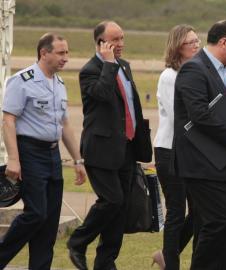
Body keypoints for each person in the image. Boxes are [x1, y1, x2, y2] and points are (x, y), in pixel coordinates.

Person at [67, 21, 152, 270]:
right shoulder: (90, 70)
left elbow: (131, 105)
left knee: (121, 208)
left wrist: (140, 140)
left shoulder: (124, 66)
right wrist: (107, 64)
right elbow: (102, 94)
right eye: (115, 40)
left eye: (123, 38)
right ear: (101, 43)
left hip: (126, 147)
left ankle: (105, 263)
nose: (121, 44)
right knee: (112, 201)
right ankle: (78, 242)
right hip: (101, 150)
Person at [173, 20, 226, 270]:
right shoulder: (193, 69)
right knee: (220, 222)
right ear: (223, 42)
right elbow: (199, 115)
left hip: (224, 163)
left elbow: (222, 109)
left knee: (213, 225)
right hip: (200, 162)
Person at [0, 33, 86, 270]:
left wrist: (78, 159)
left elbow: (65, 125)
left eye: (67, 53)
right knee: (36, 213)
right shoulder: (22, 81)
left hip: (52, 155)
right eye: (60, 53)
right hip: (29, 152)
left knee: (48, 222)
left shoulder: (59, 84)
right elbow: (8, 121)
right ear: (44, 53)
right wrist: (14, 159)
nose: (65, 58)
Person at [151, 24, 200, 270]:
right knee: (176, 211)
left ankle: (167, 255)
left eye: (197, 40)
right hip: (170, 150)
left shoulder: (193, 73)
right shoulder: (170, 76)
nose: (196, 44)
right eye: (190, 41)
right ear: (178, 46)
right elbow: (180, 115)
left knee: (199, 210)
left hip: (189, 151)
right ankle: (172, 264)